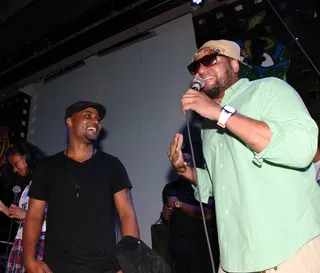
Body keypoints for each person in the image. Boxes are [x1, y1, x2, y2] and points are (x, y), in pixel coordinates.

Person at [168, 40, 320, 273]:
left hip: (287, 249)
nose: (200, 70)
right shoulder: (208, 127)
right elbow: (218, 184)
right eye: (195, 67)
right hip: (235, 258)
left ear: (234, 65)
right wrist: (184, 170)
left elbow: (302, 148)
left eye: (209, 60)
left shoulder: (268, 89)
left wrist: (221, 113)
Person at [23, 101, 140, 273]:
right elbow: (33, 215)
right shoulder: (48, 167)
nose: (95, 121)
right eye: (87, 115)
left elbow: (126, 214)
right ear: (69, 121)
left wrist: (129, 264)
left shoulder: (112, 165)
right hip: (56, 267)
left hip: (104, 267)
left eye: (97, 119)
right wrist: (29, 260)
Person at [0, 140, 47, 273]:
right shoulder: (27, 188)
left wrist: (26, 214)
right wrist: (3, 208)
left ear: (25, 157)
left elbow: (58, 215)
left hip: (39, 240)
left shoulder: (45, 182)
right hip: (21, 239)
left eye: (15, 164)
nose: (14, 170)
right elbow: (23, 219)